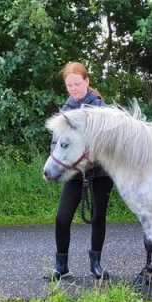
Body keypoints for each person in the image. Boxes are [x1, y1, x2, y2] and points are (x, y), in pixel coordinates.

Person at [49, 61, 113, 281]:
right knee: (62, 218)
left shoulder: (101, 109)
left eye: (77, 84)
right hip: (74, 174)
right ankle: (61, 266)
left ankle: (96, 264)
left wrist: (93, 159)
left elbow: (108, 142)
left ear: (86, 81)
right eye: (69, 85)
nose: (73, 89)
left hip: (100, 174)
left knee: (97, 218)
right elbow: (56, 143)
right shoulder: (65, 111)